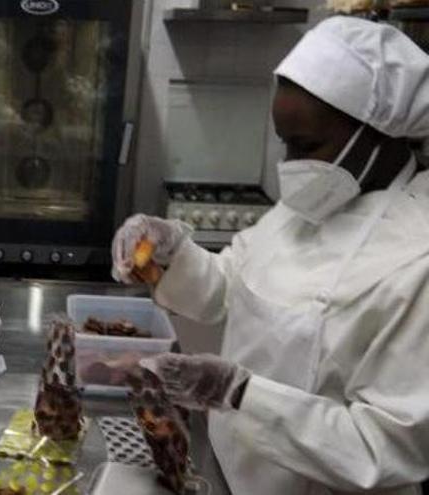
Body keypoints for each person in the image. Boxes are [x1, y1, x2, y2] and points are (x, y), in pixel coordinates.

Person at [112, 17, 429, 495]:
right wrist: (173, 253)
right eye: (285, 143)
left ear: (382, 133)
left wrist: (239, 393)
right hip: (229, 469)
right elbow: (231, 285)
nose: (290, 166)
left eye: (305, 145)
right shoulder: (323, 196)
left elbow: (386, 449)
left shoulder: (415, 258)